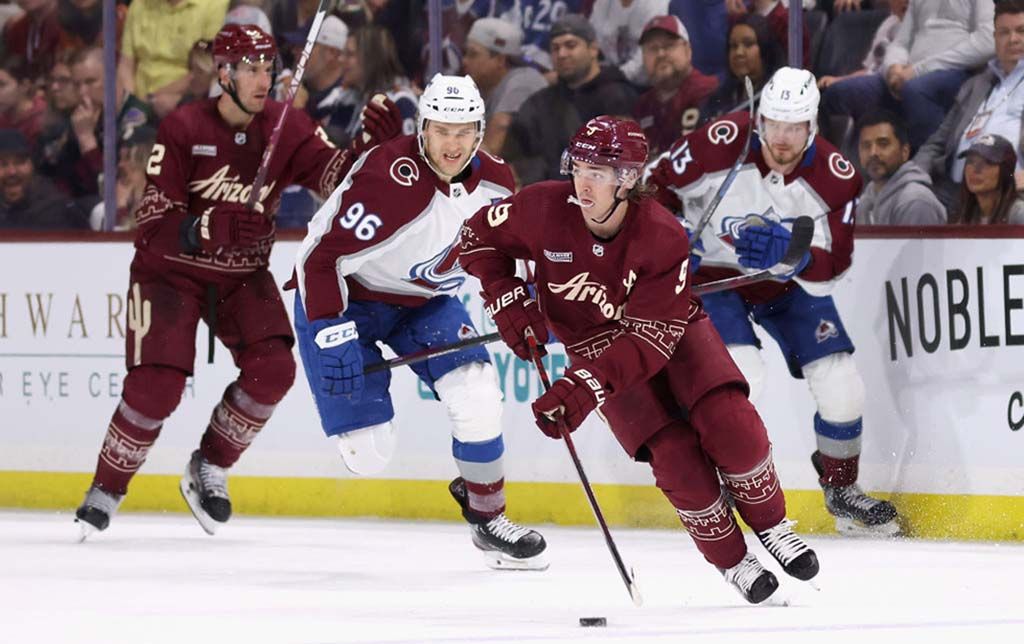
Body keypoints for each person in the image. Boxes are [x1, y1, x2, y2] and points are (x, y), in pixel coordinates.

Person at [459, 115, 819, 604]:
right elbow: (475, 238)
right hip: (595, 345)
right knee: (675, 461)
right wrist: (506, 296)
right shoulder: (541, 207)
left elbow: (648, 343)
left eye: (599, 173)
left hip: (671, 332)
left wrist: (585, 386)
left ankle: (772, 525)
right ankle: (734, 559)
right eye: (579, 167)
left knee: (730, 424)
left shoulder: (661, 235)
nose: (583, 182)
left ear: (627, 178)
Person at [73, 23, 402, 540]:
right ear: (222, 73)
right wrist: (212, 224)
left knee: (273, 369)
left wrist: (367, 151)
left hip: (241, 273)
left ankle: (209, 466)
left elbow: (333, 182)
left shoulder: (286, 125)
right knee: (156, 387)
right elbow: (153, 230)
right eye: (251, 68)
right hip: (171, 274)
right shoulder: (183, 128)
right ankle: (107, 488)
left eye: (269, 67)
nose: (263, 79)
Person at [291, 73, 548, 572]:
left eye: (464, 130)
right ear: (422, 128)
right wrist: (330, 329)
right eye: (441, 130)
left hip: (426, 302)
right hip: (349, 301)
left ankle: (488, 518)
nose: (453, 144)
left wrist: (523, 301)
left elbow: (502, 258)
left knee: (477, 393)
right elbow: (318, 261)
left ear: (479, 131)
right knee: (368, 456)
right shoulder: (388, 178)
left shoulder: (497, 182)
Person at [646, 67, 901, 536]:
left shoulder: (835, 178)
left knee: (842, 384)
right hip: (714, 280)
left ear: (813, 126)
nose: (782, 139)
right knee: (741, 376)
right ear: (759, 119)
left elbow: (836, 266)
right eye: (774, 124)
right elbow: (651, 189)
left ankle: (842, 490)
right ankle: (709, 488)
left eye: (795, 127)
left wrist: (795, 255)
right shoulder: (716, 143)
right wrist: (672, 233)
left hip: (785, 286)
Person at [915, 0, 1024, 211]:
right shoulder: (975, 85)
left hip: (1010, 193)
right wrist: (914, 176)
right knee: (910, 196)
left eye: (1021, 31)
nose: (1013, 39)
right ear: (994, 38)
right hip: (954, 192)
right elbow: (936, 144)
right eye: (1004, 32)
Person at [632, 14, 719, 156]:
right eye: (652, 48)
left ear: (688, 49)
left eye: (669, 45)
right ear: (643, 57)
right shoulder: (642, 106)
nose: (661, 54)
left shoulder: (709, 90)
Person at [855, 110, 945, 225]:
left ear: (905, 152)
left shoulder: (915, 202)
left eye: (883, 144)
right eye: (866, 146)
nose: (873, 153)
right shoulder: (866, 200)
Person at [700, 14, 784, 124]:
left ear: (765, 49)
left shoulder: (779, 97)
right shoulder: (720, 97)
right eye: (733, 46)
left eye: (748, 44)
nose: (738, 53)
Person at [949, 133, 1024, 225]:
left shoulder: (1020, 214)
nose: (976, 170)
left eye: (988, 162)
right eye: (970, 161)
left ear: (1006, 171)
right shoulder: (962, 215)